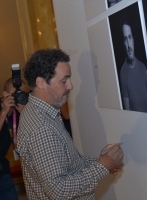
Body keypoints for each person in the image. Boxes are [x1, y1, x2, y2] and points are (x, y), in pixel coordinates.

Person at [17, 49, 124, 199]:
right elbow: (59, 190)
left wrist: (103, 162)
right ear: (41, 82)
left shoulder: (40, 111)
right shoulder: (42, 128)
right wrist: (103, 166)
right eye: (64, 80)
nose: (70, 86)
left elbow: (68, 163)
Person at [119, 15, 147, 112]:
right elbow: (128, 112)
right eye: (125, 39)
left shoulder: (143, 67)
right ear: (123, 43)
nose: (129, 45)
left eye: (130, 37)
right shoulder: (123, 73)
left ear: (133, 39)